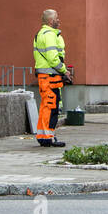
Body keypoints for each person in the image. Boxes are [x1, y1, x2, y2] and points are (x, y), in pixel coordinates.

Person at [33, 9, 69, 147]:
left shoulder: (41, 34)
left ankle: (43, 136)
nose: (59, 20)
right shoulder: (49, 35)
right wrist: (65, 71)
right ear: (50, 21)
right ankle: (48, 136)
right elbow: (53, 59)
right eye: (56, 18)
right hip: (50, 77)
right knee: (51, 107)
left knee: (46, 107)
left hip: (45, 77)